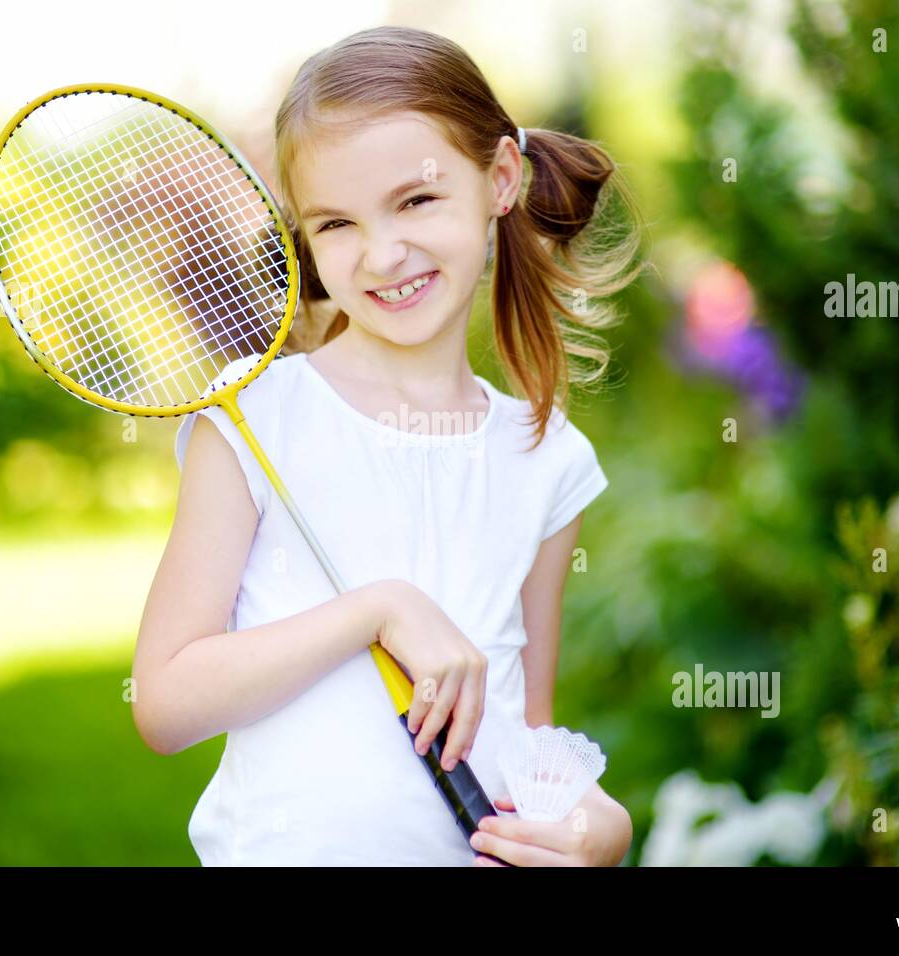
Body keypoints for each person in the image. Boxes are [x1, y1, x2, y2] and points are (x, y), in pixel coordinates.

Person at [132, 25, 646, 866]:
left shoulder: (546, 460)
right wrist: (376, 610)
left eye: (416, 200)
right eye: (336, 223)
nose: (382, 253)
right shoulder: (255, 419)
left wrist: (600, 830)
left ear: (501, 180)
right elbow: (165, 701)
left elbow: (527, 731)